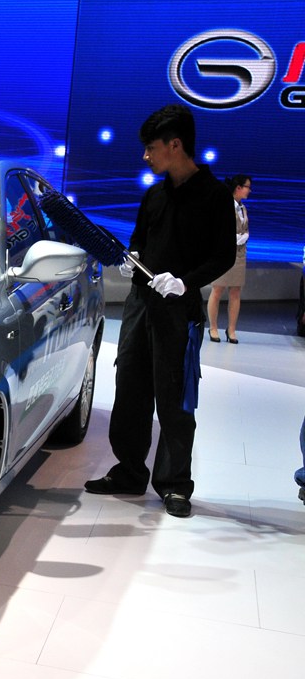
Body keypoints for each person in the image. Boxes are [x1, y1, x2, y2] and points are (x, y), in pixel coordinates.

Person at [85, 104, 235, 518]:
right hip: (141, 305)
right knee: (130, 389)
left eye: (151, 148)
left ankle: (174, 484)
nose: (145, 156)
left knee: (174, 398)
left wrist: (185, 282)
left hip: (179, 310)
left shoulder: (215, 196)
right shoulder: (154, 194)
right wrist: (131, 258)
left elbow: (223, 255)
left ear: (175, 145)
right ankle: (129, 470)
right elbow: (139, 239)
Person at [207, 175, 252, 343]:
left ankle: (231, 329)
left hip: (239, 255)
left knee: (235, 291)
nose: (249, 190)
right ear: (238, 188)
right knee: (218, 289)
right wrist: (234, 238)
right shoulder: (223, 206)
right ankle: (213, 327)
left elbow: (244, 228)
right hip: (222, 254)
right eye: (247, 187)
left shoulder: (243, 208)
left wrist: (244, 236)